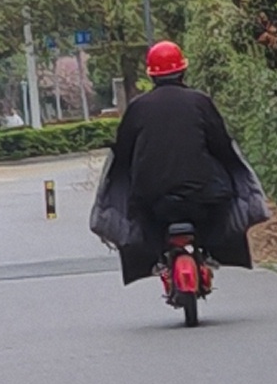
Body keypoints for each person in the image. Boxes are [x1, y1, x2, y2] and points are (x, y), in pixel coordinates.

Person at [87, 41, 264, 283]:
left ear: (151, 75)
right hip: (204, 197)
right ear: (183, 70)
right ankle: (211, 254)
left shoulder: (137, 108)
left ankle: (158, 260)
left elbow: (123, 153)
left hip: (152, 198)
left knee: (142, 215)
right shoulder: (200, 102)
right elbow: (221, 145)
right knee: (222, 202)